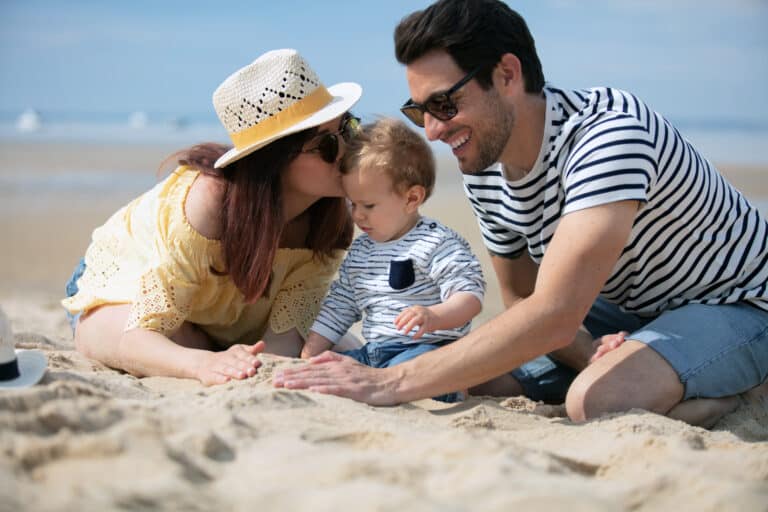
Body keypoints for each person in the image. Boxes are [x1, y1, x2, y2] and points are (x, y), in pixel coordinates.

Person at [274, 0, 768, 427]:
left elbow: (551, 315)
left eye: (443, 104)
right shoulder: (485, 165)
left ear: (507, 75)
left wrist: (386, 382)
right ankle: (660, 367)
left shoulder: (609, 137)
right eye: (418, 109)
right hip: (626, 306)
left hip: (738, 300)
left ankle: (732, 394)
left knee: (597, 400)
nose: (431, 131)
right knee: (479, 378)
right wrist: (589, 352)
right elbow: (524, 300)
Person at [62, 49, 363, 386]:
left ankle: (207, 342)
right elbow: (138, 335)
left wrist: (266, 363)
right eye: (326, 145)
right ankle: (203, 344)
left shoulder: (328, 216)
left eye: (349, 128)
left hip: (224, 315)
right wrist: (201, 364)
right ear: (275, 160)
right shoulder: (207, 205)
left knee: (337, 346)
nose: (349, 151)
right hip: (129, 284)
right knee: (147, 341)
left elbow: (283, 342)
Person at [300, 118, 485, 401]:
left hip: (429, 351)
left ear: (411, 199)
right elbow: (339, 306)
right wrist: (312, 350)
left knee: (417, 370)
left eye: (369, 205)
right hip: (374, 353)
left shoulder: (435, 242)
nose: (357, 215)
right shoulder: (361, 252)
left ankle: (449, 388)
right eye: (352, 203)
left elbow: (470, 296)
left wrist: (435, 316)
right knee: (332, 367)